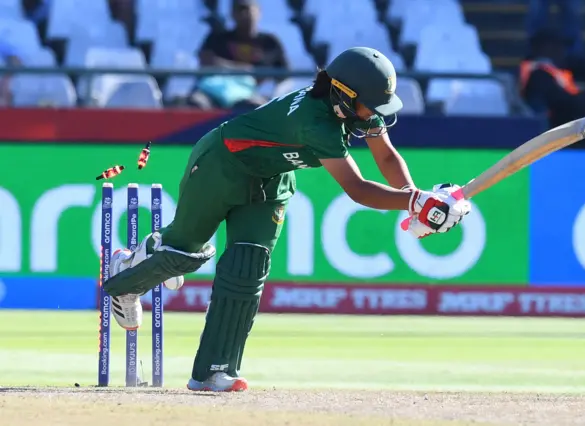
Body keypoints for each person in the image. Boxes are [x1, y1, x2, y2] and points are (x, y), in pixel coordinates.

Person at [103, 47, 472, 392]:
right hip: (221, 165)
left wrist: (415, 203)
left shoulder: (358, 109)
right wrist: (416, 202)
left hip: (271, 180)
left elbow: (387, 158)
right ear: (342, 93)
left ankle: (216, 370)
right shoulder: (316, 121)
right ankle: (126, 274)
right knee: (185, 254)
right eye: (368, 105)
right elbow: (357, 189)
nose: (373, 114)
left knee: (249, 267)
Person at [191, 0, 289, 109]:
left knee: (253, 107)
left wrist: (273, 97)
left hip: (251, 95)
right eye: (239, 9)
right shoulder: (217, 38)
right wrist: (245, 70)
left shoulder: (270, 43)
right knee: (196, 102)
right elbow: (206, 61)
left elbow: (285, 77)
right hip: (213, 93)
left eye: (248, 9)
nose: (244, 14)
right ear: (232, 13)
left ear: (259, 12)